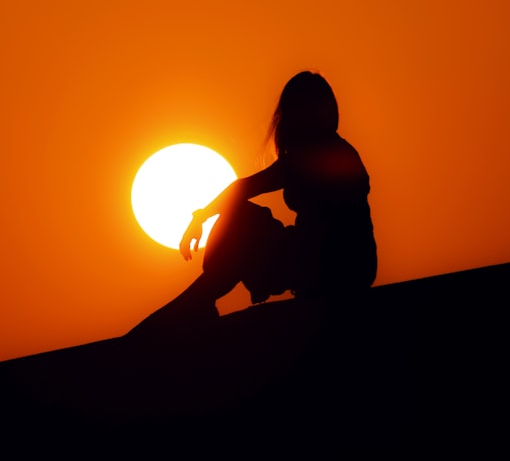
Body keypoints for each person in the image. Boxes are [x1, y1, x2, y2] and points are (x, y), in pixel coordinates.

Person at [128, 71, 377, 336]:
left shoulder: (319, 154)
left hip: (332, 265)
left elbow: (242, 189)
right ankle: (205, 295)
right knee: (244, 220)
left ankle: (205, 296)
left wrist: (200, 218)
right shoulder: (331, 151)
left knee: (241, 219)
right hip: (348, 264)